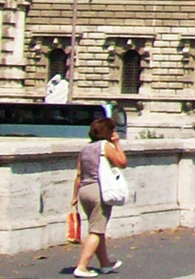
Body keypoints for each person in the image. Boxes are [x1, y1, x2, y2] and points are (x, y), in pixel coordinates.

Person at [73, 117, 125, 278]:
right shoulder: (105, 146)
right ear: (108, 132)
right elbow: (122, 162)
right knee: (96, 231)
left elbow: (79, 175)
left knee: (97, 227)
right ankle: (82, 266)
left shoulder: (85, 149)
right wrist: (117, 144)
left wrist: (74, 198)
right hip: (99, 190)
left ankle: (105, 263)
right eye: (113, 130)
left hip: (84, 191)